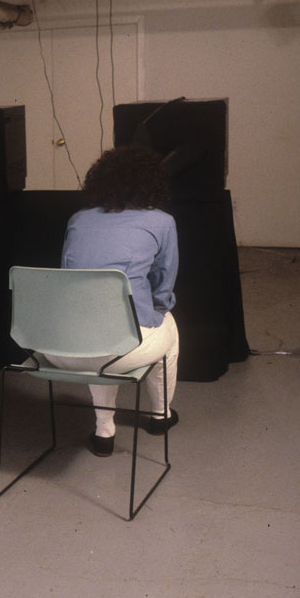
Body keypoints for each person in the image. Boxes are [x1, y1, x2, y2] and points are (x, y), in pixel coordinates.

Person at [44, 145, 180, 457]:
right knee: (167, 327)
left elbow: (68, 281)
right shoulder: (161, 222)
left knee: (96, 325)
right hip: (118, 352)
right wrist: (152, 310)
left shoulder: (78, 219)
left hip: (60, 349)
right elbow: (163, 289)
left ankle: (104, 431)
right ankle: (160, 416)